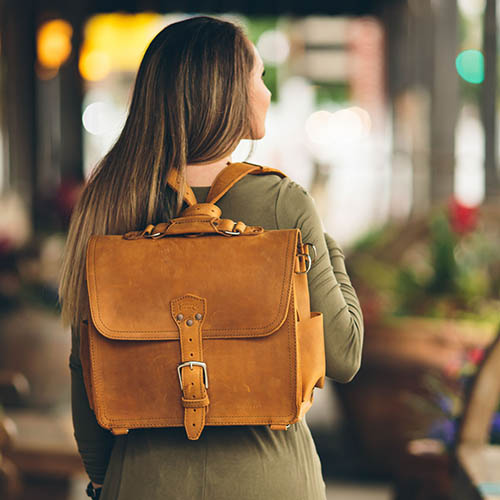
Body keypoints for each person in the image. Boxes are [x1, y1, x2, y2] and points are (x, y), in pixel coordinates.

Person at [58, 15, 364, 500]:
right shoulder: (282, 201)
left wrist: (104, 479)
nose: (266, 92)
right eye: (259, 78)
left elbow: (86, 369)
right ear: (226, 95)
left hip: (143, 479)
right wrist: (323, 238)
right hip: (269, 481)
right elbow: (343, 354)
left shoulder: (109, 198)